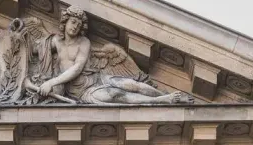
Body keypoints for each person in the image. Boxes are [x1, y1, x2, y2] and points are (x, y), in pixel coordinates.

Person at [30, 7, 192, 105]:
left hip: (96, 79)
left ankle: (167, 96)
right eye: (73, 22)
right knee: (118, 95)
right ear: (65, 22)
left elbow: (77, 68)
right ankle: (161, 101)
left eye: (79, 25)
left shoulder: (84, 42)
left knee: (131, 84)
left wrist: (51, 82)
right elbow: (33, 50)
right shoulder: (55, 42)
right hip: (82, 93)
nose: (75, 27)